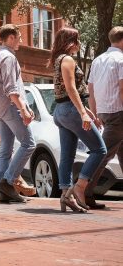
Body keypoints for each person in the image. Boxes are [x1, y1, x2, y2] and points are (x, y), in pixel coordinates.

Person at [50, 27, 106, 212]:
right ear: (70, 42)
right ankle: (80, 187)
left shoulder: (57, 59)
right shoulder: (66, 59)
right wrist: (82, 112)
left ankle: (65, 195)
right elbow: (71, 88)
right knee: (99, 149)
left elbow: (69, 91)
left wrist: (86, 110)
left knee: (67, 155)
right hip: (70, 110)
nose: (79, 44)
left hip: (62, 110)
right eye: (77, 40)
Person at [0, 24, 35, 203]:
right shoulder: (8, 57)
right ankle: (7, 181)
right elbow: (11, 88)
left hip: (0, 108)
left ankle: (4, 192)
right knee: (28, 144)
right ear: (10, 38)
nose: (21, 40)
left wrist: (25, 105)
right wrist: (23, 109)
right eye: (19, 37)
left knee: (5, 150)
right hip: (9, 106)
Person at [85, 26, 123, 209]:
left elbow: (90, 90)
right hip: (119, 113)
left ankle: (83, 190)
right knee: (102, 154)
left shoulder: (98, 60)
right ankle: (83, 191)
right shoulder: (121, 59)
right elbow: (122, 88)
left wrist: (95, 114)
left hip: (104, 113)